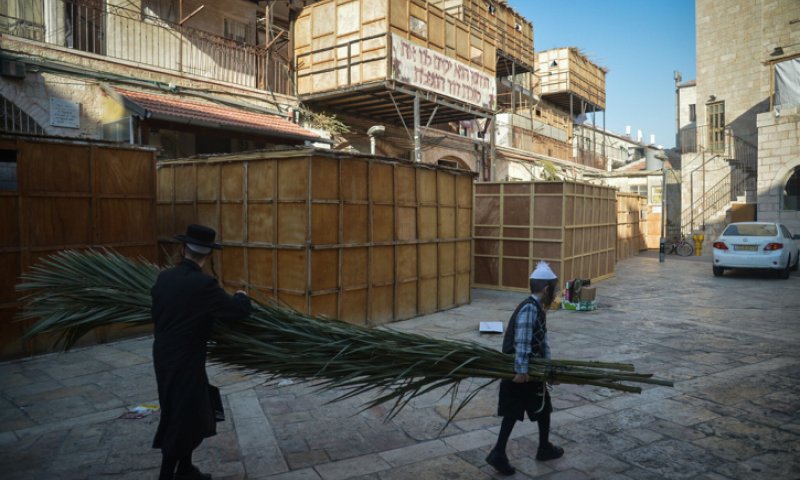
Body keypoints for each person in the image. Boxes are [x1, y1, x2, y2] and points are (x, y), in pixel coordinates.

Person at [151, 224, 252, 480]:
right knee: (182, 416)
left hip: (163, 356)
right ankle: (166, 476)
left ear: (183, 248)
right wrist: (242, 296)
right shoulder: (204, 284)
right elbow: (235, 312)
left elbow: (158, 313)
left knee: (182, 410)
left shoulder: (164, 278)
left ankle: (185, 469)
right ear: (208, 255)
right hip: (186, 360)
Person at [486, 261, 564, 475]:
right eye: (554, 290)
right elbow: (522, 341)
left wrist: (548, 370)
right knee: (519, 411)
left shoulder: (538, 309)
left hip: (532, 370)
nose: (555, 294)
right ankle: (502, 452)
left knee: (539, 406)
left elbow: (543, 341)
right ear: (546, 289)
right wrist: (521, 371)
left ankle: (541, 446)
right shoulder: (529, 308)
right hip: (521, 371)